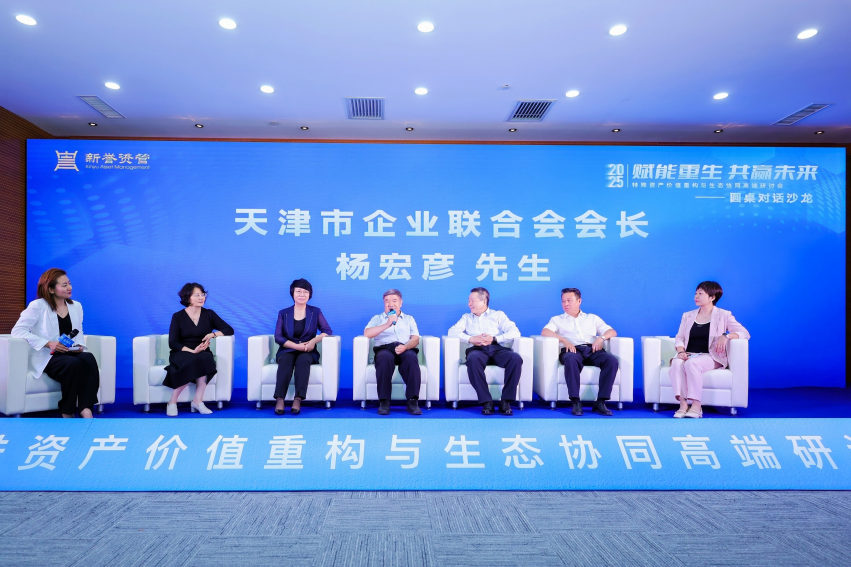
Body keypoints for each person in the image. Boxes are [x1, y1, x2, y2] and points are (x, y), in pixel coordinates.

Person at [11, 268, 99, 418]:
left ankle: (86, 408)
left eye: (69, 283)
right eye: (64, 285)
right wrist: (47, 343)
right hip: (47, 355)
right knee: (73, 364)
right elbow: (17, 330)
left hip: (68, 352)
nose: (70, 287)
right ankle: (67, 411)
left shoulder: (76, 306)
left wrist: (79, 346)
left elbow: (79, 331)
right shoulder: (38, 306)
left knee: (88, 357)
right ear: (51, 289)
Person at [671, 281, 750, 418]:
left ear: (712, 297)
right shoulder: (687, 316)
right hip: (689, 354)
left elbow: (745, 333)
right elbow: (680, 338)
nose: (696, 296)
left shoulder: (724, 315)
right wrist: (681, 351)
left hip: (711, 356)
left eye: (700, 293)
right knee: (677, 363)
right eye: (695, 293)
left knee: (692, 364)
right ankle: (683, 405)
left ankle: (696, 405)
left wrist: (726, 336)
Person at [540, 287, 619, 416]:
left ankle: (600, 402)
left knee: (611, 361)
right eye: (563, 301)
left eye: (569, 300)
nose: (566, 304)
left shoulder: (592, 318)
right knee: (571, 359)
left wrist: (601, 338)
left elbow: (612, 331)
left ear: (579, 301)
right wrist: (564, 340)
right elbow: (545, 331)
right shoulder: (557, 319)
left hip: (592, 349)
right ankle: (576, 402)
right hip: (572, 350)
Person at [448, 287, 522, 415]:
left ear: (484, 301)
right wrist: (470, 339)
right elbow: (452, 331)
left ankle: (506, 401)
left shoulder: (498, 315)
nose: (469, 304)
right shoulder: (466, 318)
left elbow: (515, 332)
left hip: (496, 348)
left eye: (472, 300)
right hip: (477, 350)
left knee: (515, 358)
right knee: (472, 359)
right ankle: (486, 401)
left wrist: (494, 338)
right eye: (468, 300)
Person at [163, 283, 234, 416]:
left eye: (203, 294)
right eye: (197, 295)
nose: (201, 298)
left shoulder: (209, 314)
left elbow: (229, 329)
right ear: (188, 297)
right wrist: (192, 351)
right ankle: (172, 401)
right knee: (193, 360)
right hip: (182, 352)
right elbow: (173, 342)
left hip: (202, 350)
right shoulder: (178, 316)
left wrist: (213, 334)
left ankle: (197, 400)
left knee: (205, 357)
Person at [273, 278, 332, 415]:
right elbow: (278, 337)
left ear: (309, 295)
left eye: (305, 292)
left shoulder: (315, 312)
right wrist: (295, 346)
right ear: (292, 293)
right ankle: (280, 399)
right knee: (286, 361)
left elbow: (327, 331)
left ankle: (298, 399)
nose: (302, 294)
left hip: (307, 350)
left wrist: (313, 341)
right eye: (298, 291)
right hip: (287, 349)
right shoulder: (284, 313)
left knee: (303, 361)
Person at [364, 289, 422, 415]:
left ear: (401, 303)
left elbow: (415, 339)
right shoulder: (377, 318)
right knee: (384, 358)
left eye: (394, 301)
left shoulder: (409, 319)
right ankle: (384, 402)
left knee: (411, 358)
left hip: (404, 347)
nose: (390, 304)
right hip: (384, 348)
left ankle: (413, 401)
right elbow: (367, 333)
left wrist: (406, 347)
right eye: (387, 301)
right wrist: (387, 324)